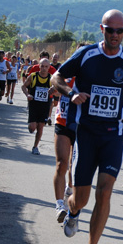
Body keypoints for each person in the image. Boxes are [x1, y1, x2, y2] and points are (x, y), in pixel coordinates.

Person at [51, 9, 123, 244]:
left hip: (114, 135)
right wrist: (71, 93)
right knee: (80, 198)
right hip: (86, 134)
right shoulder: (86, 55)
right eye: (110, 30)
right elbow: (56, 77)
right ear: (101, 29)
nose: (115, 35)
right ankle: (72, 212)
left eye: (120, 31)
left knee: (105, 191)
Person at [53, 77, 76, 223]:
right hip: (62, 122)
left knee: (74, 166)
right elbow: (55, 87)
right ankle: (60, 205)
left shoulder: (92, 77)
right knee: (62, 163)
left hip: (81, 126)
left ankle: (69, 187)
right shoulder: (66, 78)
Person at [21, 58, 55, 154]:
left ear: (49, 67)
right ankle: (31, 127)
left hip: (45, 106)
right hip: (33, 105)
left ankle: (35, 147)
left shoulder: (51, 78)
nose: (44, 68)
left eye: (46, 67)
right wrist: (28, 94)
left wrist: (54, 90)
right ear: (39, 66)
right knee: (33, 127)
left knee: (40, 127)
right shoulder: (33, 76)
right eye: (42, 66)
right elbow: (23, 86)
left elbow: (56, 92)